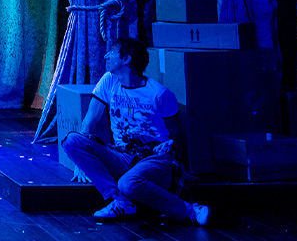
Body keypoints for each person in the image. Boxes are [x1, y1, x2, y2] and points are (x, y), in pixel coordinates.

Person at [61, 37, 211, 225]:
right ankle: (120, 201)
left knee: (128, 183)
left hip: (154, 157)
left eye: (112, 52)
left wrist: (181, 165)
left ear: (126, 59)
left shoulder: (159, 94)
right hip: (122, 154)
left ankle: (189, 209)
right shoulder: (109, 81)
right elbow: (89, 122)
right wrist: (81, 163)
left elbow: (176, 134)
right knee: (72, 141)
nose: (106, 56)